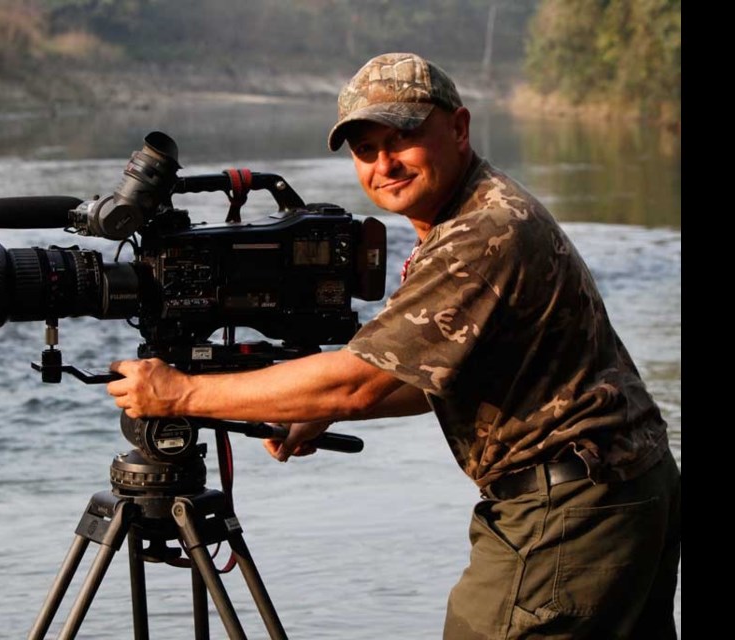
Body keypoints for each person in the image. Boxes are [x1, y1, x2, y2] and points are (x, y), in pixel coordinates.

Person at [106, 53, 680, 639]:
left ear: (458, 128)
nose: (385, 163)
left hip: (570, 512)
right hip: (622, 491)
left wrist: (180, 394)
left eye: (404, 137)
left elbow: (358, 382)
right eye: (365, 149)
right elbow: (429, 371)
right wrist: (313, 407)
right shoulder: (478, 210)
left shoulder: (481, 234)